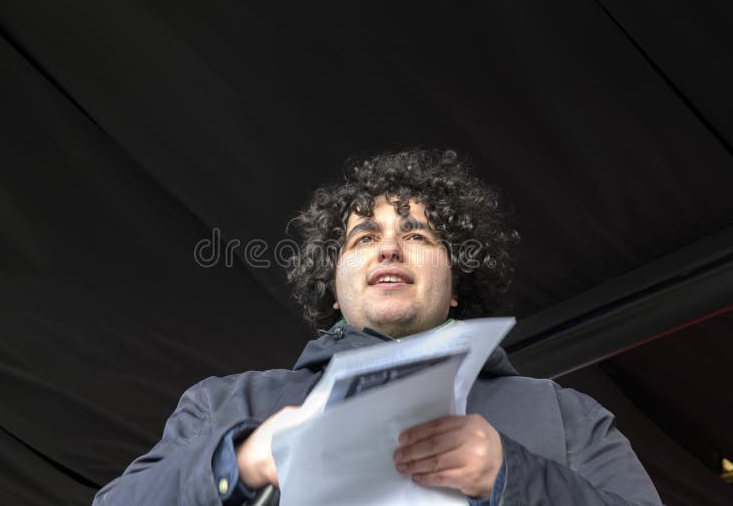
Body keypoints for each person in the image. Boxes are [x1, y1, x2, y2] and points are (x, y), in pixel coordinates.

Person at [94, 148, 663, 505]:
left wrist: (511, 476)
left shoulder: (562, 416)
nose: (389, 246)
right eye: (364, 237)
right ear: (334, 283)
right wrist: (237, 465)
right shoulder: (227, 405)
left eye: (417, 235)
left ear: (457, 281)